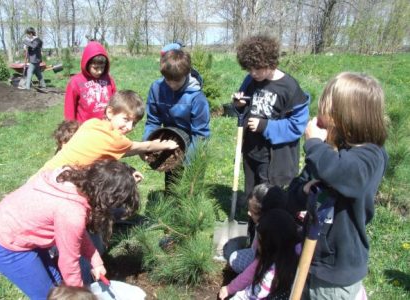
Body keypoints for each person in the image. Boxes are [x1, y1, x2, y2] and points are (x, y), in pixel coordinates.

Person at [287, 72, 388, 299]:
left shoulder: (370, 157)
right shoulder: (328, 152)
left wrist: (313, 144)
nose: (319, 114)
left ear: (348, 116)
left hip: (337, 270)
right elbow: (294, 193)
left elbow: (345, 174)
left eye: (326, 108)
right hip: (311, 257)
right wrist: (304, 190)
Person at [0, 159, 140, 299]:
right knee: (47, 295)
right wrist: (79, 295)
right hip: (6, 246)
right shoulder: (71, 212)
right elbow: (69, 263)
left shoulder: (70, 179)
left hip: (18, 229)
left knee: (58, 285)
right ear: (106, 198)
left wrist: (95, 261)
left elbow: (77, 233)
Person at [232, 33, 310, 240]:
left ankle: (269, 242)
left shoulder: (290, 88)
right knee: (252, 197)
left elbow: (297, 126)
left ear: (271, 62)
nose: (253, 73)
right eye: (249, 68)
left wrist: (265, 126)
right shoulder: (250, 80)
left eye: (257, 68)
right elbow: (245, 103)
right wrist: (239, 104)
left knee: (268, 200)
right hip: (252, 152)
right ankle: (252, 238)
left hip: (274, 159)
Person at [40, 90, 178, 173]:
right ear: (110, 112)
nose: (129, 127)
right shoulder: (114, 139)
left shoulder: (92, 123)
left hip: (45, 172)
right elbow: (146, 146)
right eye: (126, 119)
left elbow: (119, 151)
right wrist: (166, 145)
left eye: (134, 123)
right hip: (55, 183)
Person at [142, 48, 210, 189]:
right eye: (168, 80)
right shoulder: (157, 89)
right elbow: (153, 120)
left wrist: (187, 160)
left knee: (191, 189)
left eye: (177, 80)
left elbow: (201, 134)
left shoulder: (196, 97)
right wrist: (146, 145)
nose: (172, 84)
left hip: (194, 143)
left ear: (186, 73)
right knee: (172, 188)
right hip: (172, 143)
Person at [218, 209, 300, 300]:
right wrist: (230, 288)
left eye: (260, 241)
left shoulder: (269, 276)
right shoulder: (296, 252)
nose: (257, 245)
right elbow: (252, 271)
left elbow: (249, 296)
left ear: (270, 246)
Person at [227, 183, 288, 274]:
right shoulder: (272, 224)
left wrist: (233, 286)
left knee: (235, 260)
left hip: (269, 269)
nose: (248, 213)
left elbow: (260, 262)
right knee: (234, 257)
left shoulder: (267, 235)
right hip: (262, 259)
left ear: (266, 214)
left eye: (253, 212)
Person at [64, 41, 116, 123]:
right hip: (85, 130)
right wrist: (70, 128)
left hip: (105, 127)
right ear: (87, 64)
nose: (99, 71)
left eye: (102, 67)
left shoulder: (109, 80)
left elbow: (115, 102)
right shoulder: (75, 82)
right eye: (95, 68)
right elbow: (69, 110)